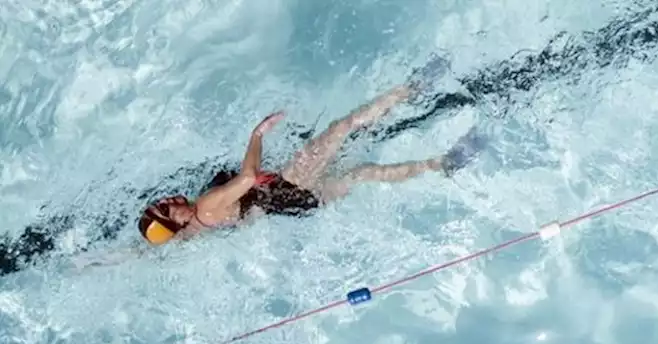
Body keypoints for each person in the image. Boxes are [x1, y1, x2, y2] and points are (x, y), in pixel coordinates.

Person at [137, 59, 484, 246]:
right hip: (289, 186)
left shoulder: (197, 228)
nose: (167, 198)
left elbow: (150, 250)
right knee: (342, 127)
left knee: (361, 173)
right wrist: (256, 135)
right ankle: (414, 87)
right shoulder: (206, 207)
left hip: (298, 205)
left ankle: (443, 164)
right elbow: (248, 177)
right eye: (165, 206)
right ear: (175, 221)